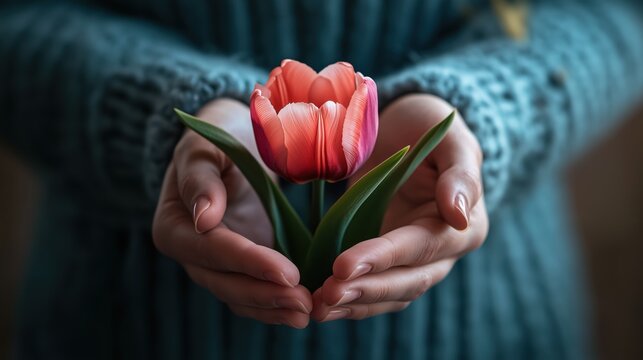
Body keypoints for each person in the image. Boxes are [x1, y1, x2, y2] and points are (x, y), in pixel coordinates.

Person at [1, 0, 641, 359]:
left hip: (493, 332)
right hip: (122, 330)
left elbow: (616, 13)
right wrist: (162, 115)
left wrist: (485, 107)